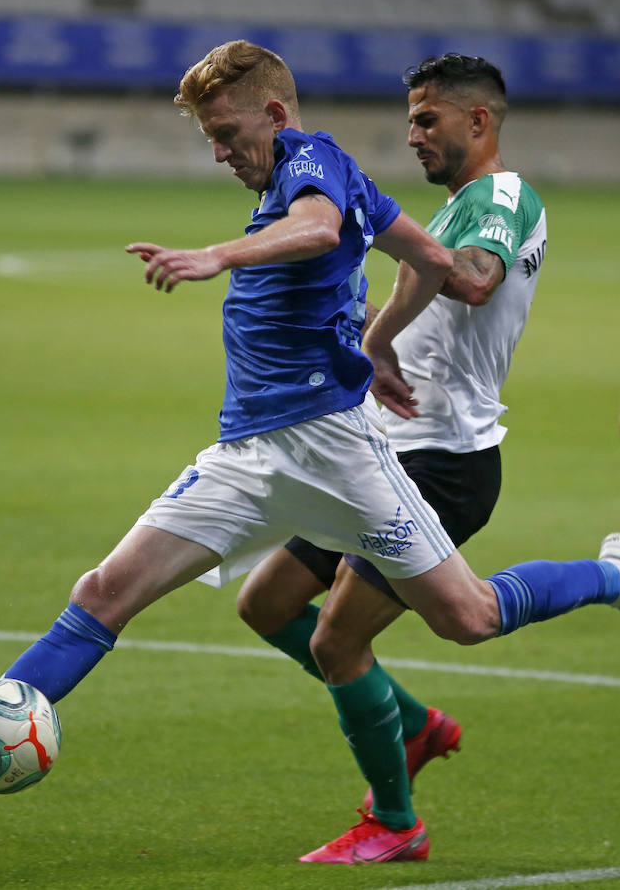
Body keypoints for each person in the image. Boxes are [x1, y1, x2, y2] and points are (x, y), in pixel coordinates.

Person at [0, 41, 620, 852]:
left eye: (228, 136)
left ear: (277, 115)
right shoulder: (345, 183)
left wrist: (219, 255)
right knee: (110, 588)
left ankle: (614, 577)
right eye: (211, 140)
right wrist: (379, 337)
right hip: (249, 455)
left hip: (342, 451)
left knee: (463, 617)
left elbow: (326, 230)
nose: (221, 154)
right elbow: (423, 254)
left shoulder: (314, 167)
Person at [235, 53, 548, 863]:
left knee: (344, 641)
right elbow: (428, 299)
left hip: (446, 459)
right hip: (378, 452)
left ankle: (397, 824)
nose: (412, 134)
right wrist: (353, 316)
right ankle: (411, 723)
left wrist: (378, 258)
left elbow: (472, 281)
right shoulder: (449, 214)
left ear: (478, 122)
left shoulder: (503, 198)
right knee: (266, 605)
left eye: (425, 118)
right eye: (411, 118)